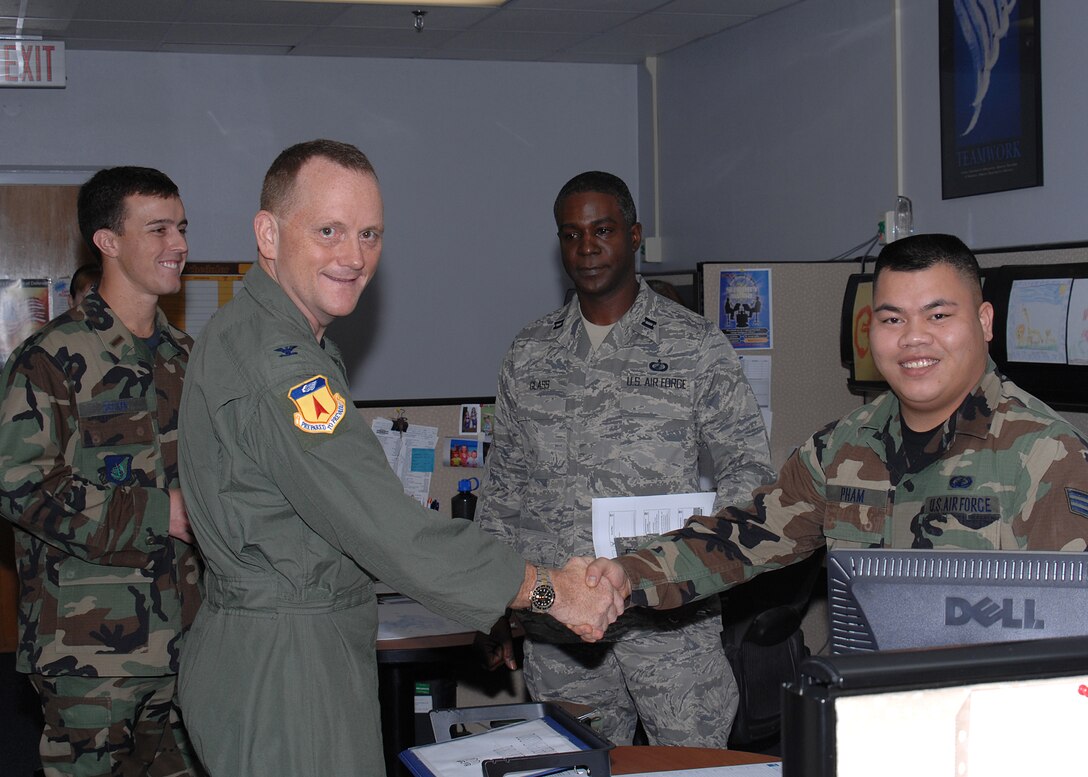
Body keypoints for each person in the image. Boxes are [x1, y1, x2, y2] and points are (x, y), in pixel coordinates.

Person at [175, 140, 624, 776]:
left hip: (276, 647)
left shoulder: (261, 333)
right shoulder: (284, 369)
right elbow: (389, 528)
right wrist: (549, 590)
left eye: (370, 234)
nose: (353, 256)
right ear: (268, 234)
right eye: (328, 231)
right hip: (288, 668)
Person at [584, 233, 1088, 613]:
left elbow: (1069, 629)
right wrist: (625, 577)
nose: (913, 338)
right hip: (866, 704)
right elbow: (746, 535)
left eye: (938, 316)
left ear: (984, 322)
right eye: (892, 319)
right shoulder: (844, 446)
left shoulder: (1046, 455)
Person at [475, 171, 774, 746]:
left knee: (689, 769)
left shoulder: (694, 345)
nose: (587, 248)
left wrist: (698, 560)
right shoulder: (530, 351)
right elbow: (504, 487)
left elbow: (749, 472)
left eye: (603, 230)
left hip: (670, 622)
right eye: (571, 235)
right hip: (559, 626)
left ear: (634, 236)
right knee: (574, 762)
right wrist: (490, 604)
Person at [0, 167, 202, 776]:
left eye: (182, 227)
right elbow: (19, 485)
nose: (179, 244)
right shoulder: (50, 359)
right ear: (107, 241)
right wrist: (159, 512)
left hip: (189, 642)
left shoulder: (188, 359)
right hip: (90, 655)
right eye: (159, 229)